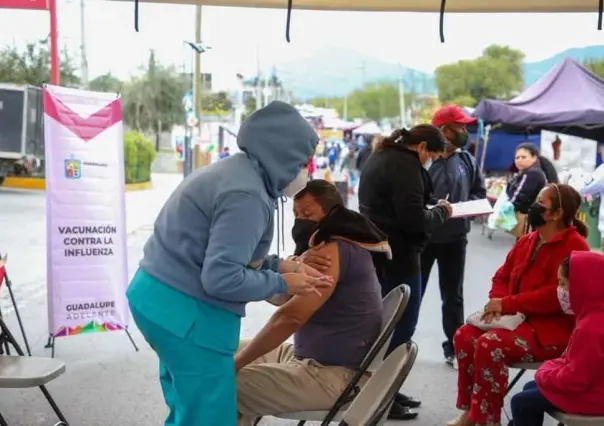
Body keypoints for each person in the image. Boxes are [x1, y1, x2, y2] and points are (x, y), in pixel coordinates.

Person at [125, 101, 333, 426]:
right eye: (302, 161)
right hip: (185, 315)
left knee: (188, 409)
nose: (305, 171)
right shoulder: (247, 195)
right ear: (281, 154)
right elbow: (222, 277)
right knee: (209, 416)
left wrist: (281, 266)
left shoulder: (237, 173)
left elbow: (228, 252)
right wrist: (283, 284)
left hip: (160, 301)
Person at [235, 180, 388, 425]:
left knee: (222, 381)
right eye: (296, 214)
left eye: (307, 214)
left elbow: (289, 316)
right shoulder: (328, 245)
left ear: (331, 213)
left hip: (331, 375)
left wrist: (237, 364)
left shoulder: (332, 250)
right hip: (309, 357)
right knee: (222, 349)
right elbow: (281, 297)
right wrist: (293, 267)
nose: (300, 221)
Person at [448, 183, 590, 426]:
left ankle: (486, 418)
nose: (534, 207)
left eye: (541, 204)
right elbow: (502, 276)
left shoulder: (575, 247)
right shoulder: (528, 240)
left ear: (556, 214)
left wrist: (507, 304)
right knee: (464, 335)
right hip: (514, 319)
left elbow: (555, 296)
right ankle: (472, 411)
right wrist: (497, 304)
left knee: (490, 344)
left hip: (549, 332)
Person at [358, 124, 453, 420]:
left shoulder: (382, 154)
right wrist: (441, 212)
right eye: (434, 156)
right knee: (400, 326)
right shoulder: (405, 165)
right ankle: (382, 395)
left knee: (383, 324)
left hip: (378, 251)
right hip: (398, 254)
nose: (432, 162)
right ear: (422, 147)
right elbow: (413, 219)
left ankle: (385, 388)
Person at [421, 105, 487, 368]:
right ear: (444, 130)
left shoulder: (467, 161)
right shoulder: (424, 160)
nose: (464, 132)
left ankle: (455, 348)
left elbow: (478, 192)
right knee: (414, 293)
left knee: (453, 296)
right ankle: (396, 347)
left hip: (455, 239)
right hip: (423, 238)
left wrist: (468, 207)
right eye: (460, 127)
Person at [510, 251, 604, 426]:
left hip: (595, 396)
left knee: (521, 402)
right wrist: (549, 371)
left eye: (562, 283)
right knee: (530, 388)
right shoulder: (594, 314)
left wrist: (545, 373)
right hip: (595, 386)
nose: (559, 290)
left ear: (582, 285)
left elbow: (575, 380)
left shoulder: (591, 327)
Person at [506, 143, 548, 237]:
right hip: (531, 216)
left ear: (534, 157)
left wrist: (509, 207)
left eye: (523, 157)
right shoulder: (529, 172)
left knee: (524, 244)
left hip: (528, 217)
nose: (519, 160)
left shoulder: (531, 174)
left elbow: (519, 195)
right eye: (517, 158)